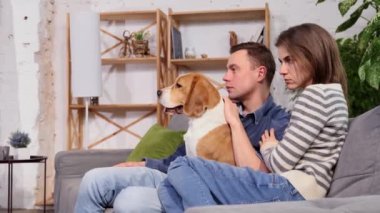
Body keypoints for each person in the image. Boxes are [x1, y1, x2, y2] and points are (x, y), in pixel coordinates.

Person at [74, 42, 290, 213]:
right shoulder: (213, 110)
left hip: (208, 190)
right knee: (94, 179)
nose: (225, 77)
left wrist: (234, 122)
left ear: (260, 74)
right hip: (173, 175)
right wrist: (143, 163)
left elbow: (259, 178)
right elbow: (178, 160)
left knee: (128, 201)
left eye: (234, 69)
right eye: (226, 70)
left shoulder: (278, 121)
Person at [157, 23, 349, 212]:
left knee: (182, 164)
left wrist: (269, 147)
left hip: (293, 188)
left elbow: (281, 163)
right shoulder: (331, 96)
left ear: (312, 57)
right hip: (296, 187)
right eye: (282, 62)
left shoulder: (315, 96)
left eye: (289, 60)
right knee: (166, 188)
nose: (282, 71)